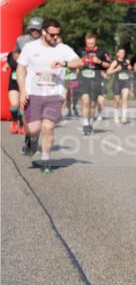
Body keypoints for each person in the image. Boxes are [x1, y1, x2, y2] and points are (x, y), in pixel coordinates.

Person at [16, 19, 83, 174]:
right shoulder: (30, 47)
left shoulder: (62, 48)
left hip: (54, 94)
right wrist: (23, 91)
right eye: (52, 35)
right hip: (33, 94)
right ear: (43, 32)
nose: (55, 37)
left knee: (48, 127)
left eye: (57, 34)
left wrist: (64, 64)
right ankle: (32, 141)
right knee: (33, 129)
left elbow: (79, 62)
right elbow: (20, 68)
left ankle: (46, 160)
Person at [6, 17, 43, 133]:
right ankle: (14, 121)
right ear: (29, 29)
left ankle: (22, 124)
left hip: (30, 79)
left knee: (24, 104)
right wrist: (20, 63)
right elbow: (15, 53)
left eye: (37, 29)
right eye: (32, 29)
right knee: (14, 104)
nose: (35, 31)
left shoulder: (45, 42)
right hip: (17, 76)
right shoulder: (21, 40)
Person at [77, 32, 110, 136]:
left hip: (96, 80)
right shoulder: (81, 51)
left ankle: (90, 122)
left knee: (92, 104)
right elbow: (74, 62)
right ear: (85, 42)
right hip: (84, 80)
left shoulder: (102, 52)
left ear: (95, 42)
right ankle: (85, 123)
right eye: (88, 43)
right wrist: (78, 66)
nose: (90, 45)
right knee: (85, 101)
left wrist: (99, 62)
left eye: (92, 43)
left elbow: (108, 65)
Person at [106, 47, 132, 125]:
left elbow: (131, 69)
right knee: (117, 100)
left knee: (125, 99)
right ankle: (116, 116)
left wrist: (130, 68)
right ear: (117, 54)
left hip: (126, 82)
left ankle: (124, 118)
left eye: (123, 53)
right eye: (120, 53)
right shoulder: (115, 62)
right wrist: (116, 69)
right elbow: (108, 72)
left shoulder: (127, 61)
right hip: (117, 82)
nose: (122, 54)